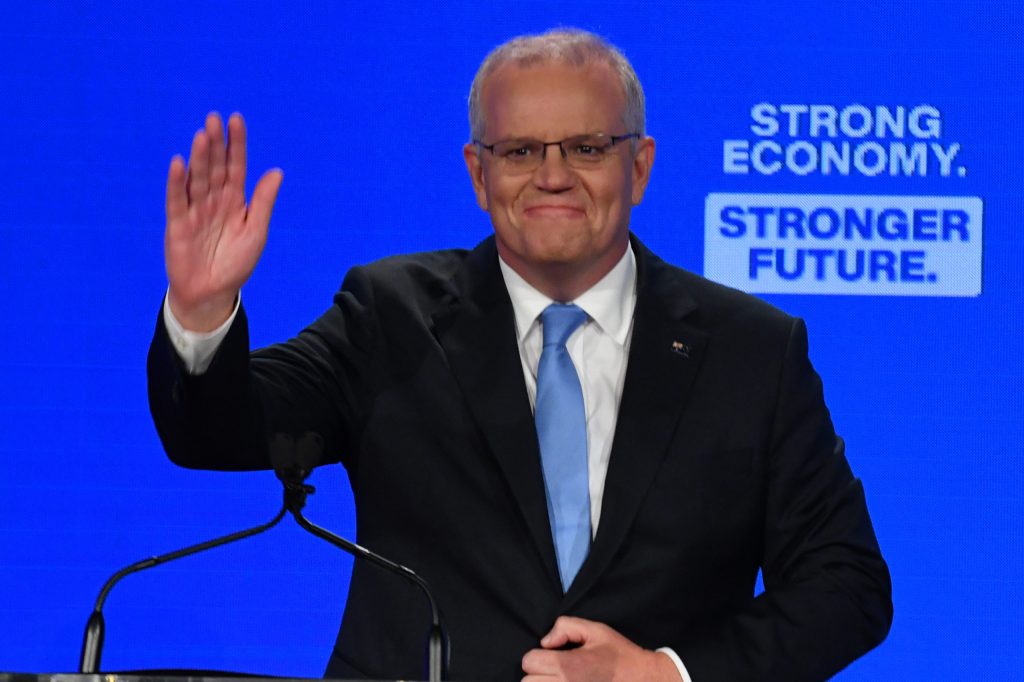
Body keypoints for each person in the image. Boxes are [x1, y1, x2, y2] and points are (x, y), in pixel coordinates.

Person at [148, 29, 892, 682]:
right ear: (479, 173)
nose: (554, 175)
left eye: (588, 147)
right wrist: (203, 312)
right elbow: (216, 431)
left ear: (640, 166)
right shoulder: (391, 315)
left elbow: (846, 585)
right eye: (521, 151)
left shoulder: (752, 350)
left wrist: (667, 674)